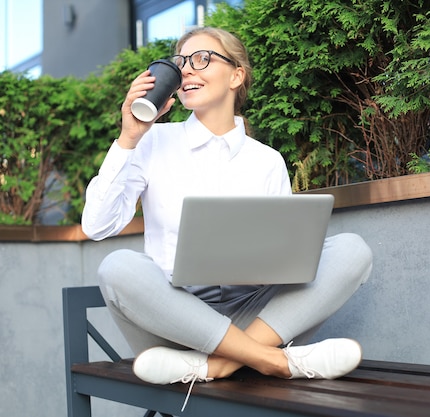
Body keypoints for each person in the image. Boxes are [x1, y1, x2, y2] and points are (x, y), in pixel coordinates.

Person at [81, 26, 373, 411]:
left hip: (253, 312)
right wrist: (128, 137)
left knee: (352, 250)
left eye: (201, 59)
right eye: (180, 63)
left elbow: (287, 260)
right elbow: (96, 227)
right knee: (118, 267)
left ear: (237, 75)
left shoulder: (266, 160)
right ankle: (274, 361)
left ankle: (216, 366)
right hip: (175, 318)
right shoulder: (152, 142)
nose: (187, 71)